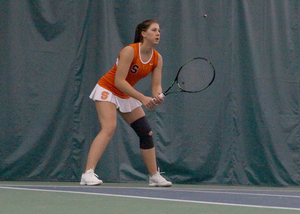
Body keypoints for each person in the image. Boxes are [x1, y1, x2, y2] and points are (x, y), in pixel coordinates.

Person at [80, 19, 172, 187]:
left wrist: (157, 95)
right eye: (154, 30)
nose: (158, 33)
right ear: (143, 33)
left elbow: (156, 86)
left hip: (125, 93)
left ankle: (154, 176)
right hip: (108, 89)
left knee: (146, 132)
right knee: (109, 127)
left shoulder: (157, 59)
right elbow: (119, 81)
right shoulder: (130, 51)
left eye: (159, 30)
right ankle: (87, 173)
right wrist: (143, 98)